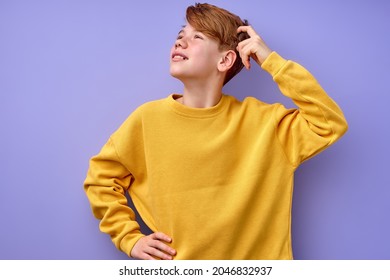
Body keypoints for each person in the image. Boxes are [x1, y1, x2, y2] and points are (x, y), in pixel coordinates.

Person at [83, 3, 348, 260]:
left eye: (197, 36)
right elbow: (101, 179)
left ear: (225, 59)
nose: (180, 42)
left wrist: (271, 61)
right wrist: (130, 238)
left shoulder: (267, 124)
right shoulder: (147, 120)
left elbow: (328, 123)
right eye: (180, 35)